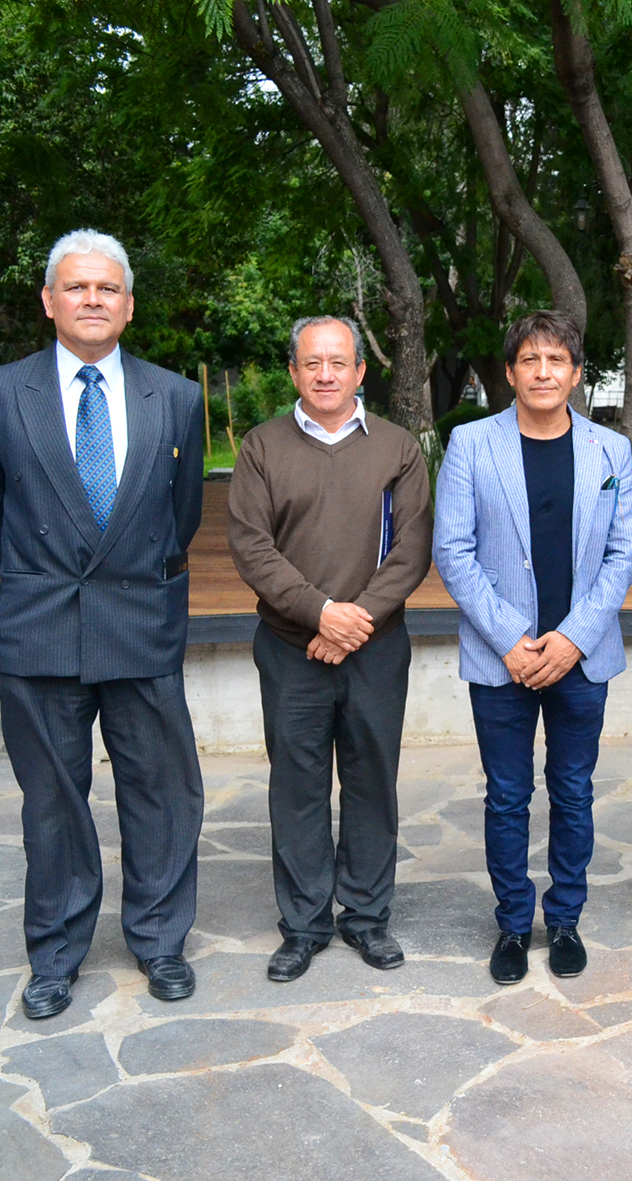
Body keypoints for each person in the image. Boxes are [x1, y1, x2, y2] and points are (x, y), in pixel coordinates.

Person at [0, 229, 206, 1018]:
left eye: (107, 288)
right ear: (49, 300)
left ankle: (161, 939)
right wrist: (47, 579)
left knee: (161, 791)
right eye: (77, 287)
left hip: (140, 622)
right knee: (53, 802)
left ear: (129, 306)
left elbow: (183, 514)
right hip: (41, 629)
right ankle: (57, 952)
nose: (92, 299)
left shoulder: (175, 396)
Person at [435, 311, 632, 985]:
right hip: (504, 658)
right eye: (531, 359)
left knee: (573, 789)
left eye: (557, 360)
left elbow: (622, 554)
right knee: (506, 794)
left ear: (577, 373)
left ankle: (566, 918)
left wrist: (573, 639)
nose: (544, 371)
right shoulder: (470, 443)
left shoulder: (610, 452)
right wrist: (511, 642)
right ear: (511, 371)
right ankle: (512, 923)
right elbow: (454, 551)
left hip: (582, 657)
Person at [226, 316, 432, 983]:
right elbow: (251, 546)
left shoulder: (398, 448)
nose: (325, 374)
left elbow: (412, 549)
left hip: (376, 647)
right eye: (311, 363)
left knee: (372, 780)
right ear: (293, 371)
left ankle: (367, 916)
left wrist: (354, 621)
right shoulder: (260, 447)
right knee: (298, 785)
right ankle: (305, 923)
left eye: (338, 362)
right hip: (291, 647)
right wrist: (320, 612)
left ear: (360, 371)